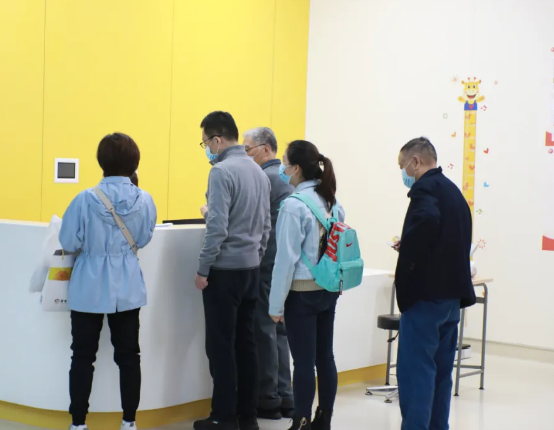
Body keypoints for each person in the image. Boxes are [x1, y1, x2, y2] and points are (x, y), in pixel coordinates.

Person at [59, 133, 157, 430]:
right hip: (127, 284)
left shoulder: (84, 199)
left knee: (82, 356)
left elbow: (68, 242)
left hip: (88, 285)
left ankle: (78, 423)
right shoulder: (145, 199)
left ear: (101, 162)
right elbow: (144, 238)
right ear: (135, 162)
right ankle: (129, 422)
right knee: (129, 356)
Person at [194, 112, 271, 430]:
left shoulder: (221, 172)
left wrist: (203, 268)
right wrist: (256, 255)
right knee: (247, 345)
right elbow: (266, 226)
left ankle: (223, 417)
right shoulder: (258, 172)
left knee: (221, 347)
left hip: (224, 272)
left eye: (205, 143)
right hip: (251, 269)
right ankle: (247, 416)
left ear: (216, 140)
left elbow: (217, 227)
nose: (207, 150)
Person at [394, 137, 476, 430]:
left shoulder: (425, 189)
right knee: (441, 374)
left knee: (416, 374)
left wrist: (410, 255)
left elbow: (427, 222)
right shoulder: (454, 193)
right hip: (451, 300)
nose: (403, 172)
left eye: (403, 166)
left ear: (415, 162)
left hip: (425, 298)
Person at [269, 140, 343, 430]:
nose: (283, 168)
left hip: (301, 294)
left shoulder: (293, 206)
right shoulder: (333, 202)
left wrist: (275, 305)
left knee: (302, 362)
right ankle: (323, 419)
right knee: (325, 357)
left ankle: (300, 422)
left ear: (296, 168)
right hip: (328, 289)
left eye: (285, 163)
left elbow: (285, 261)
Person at [242, 127, 294, 420]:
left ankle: (268, 397)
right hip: (284, 265)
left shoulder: (265, 179)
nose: (245, 155)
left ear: (265, 149)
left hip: (266, 265)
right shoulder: (286, 179)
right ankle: (285, 395)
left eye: (247, 149)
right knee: (280, 332)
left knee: (263, 329)